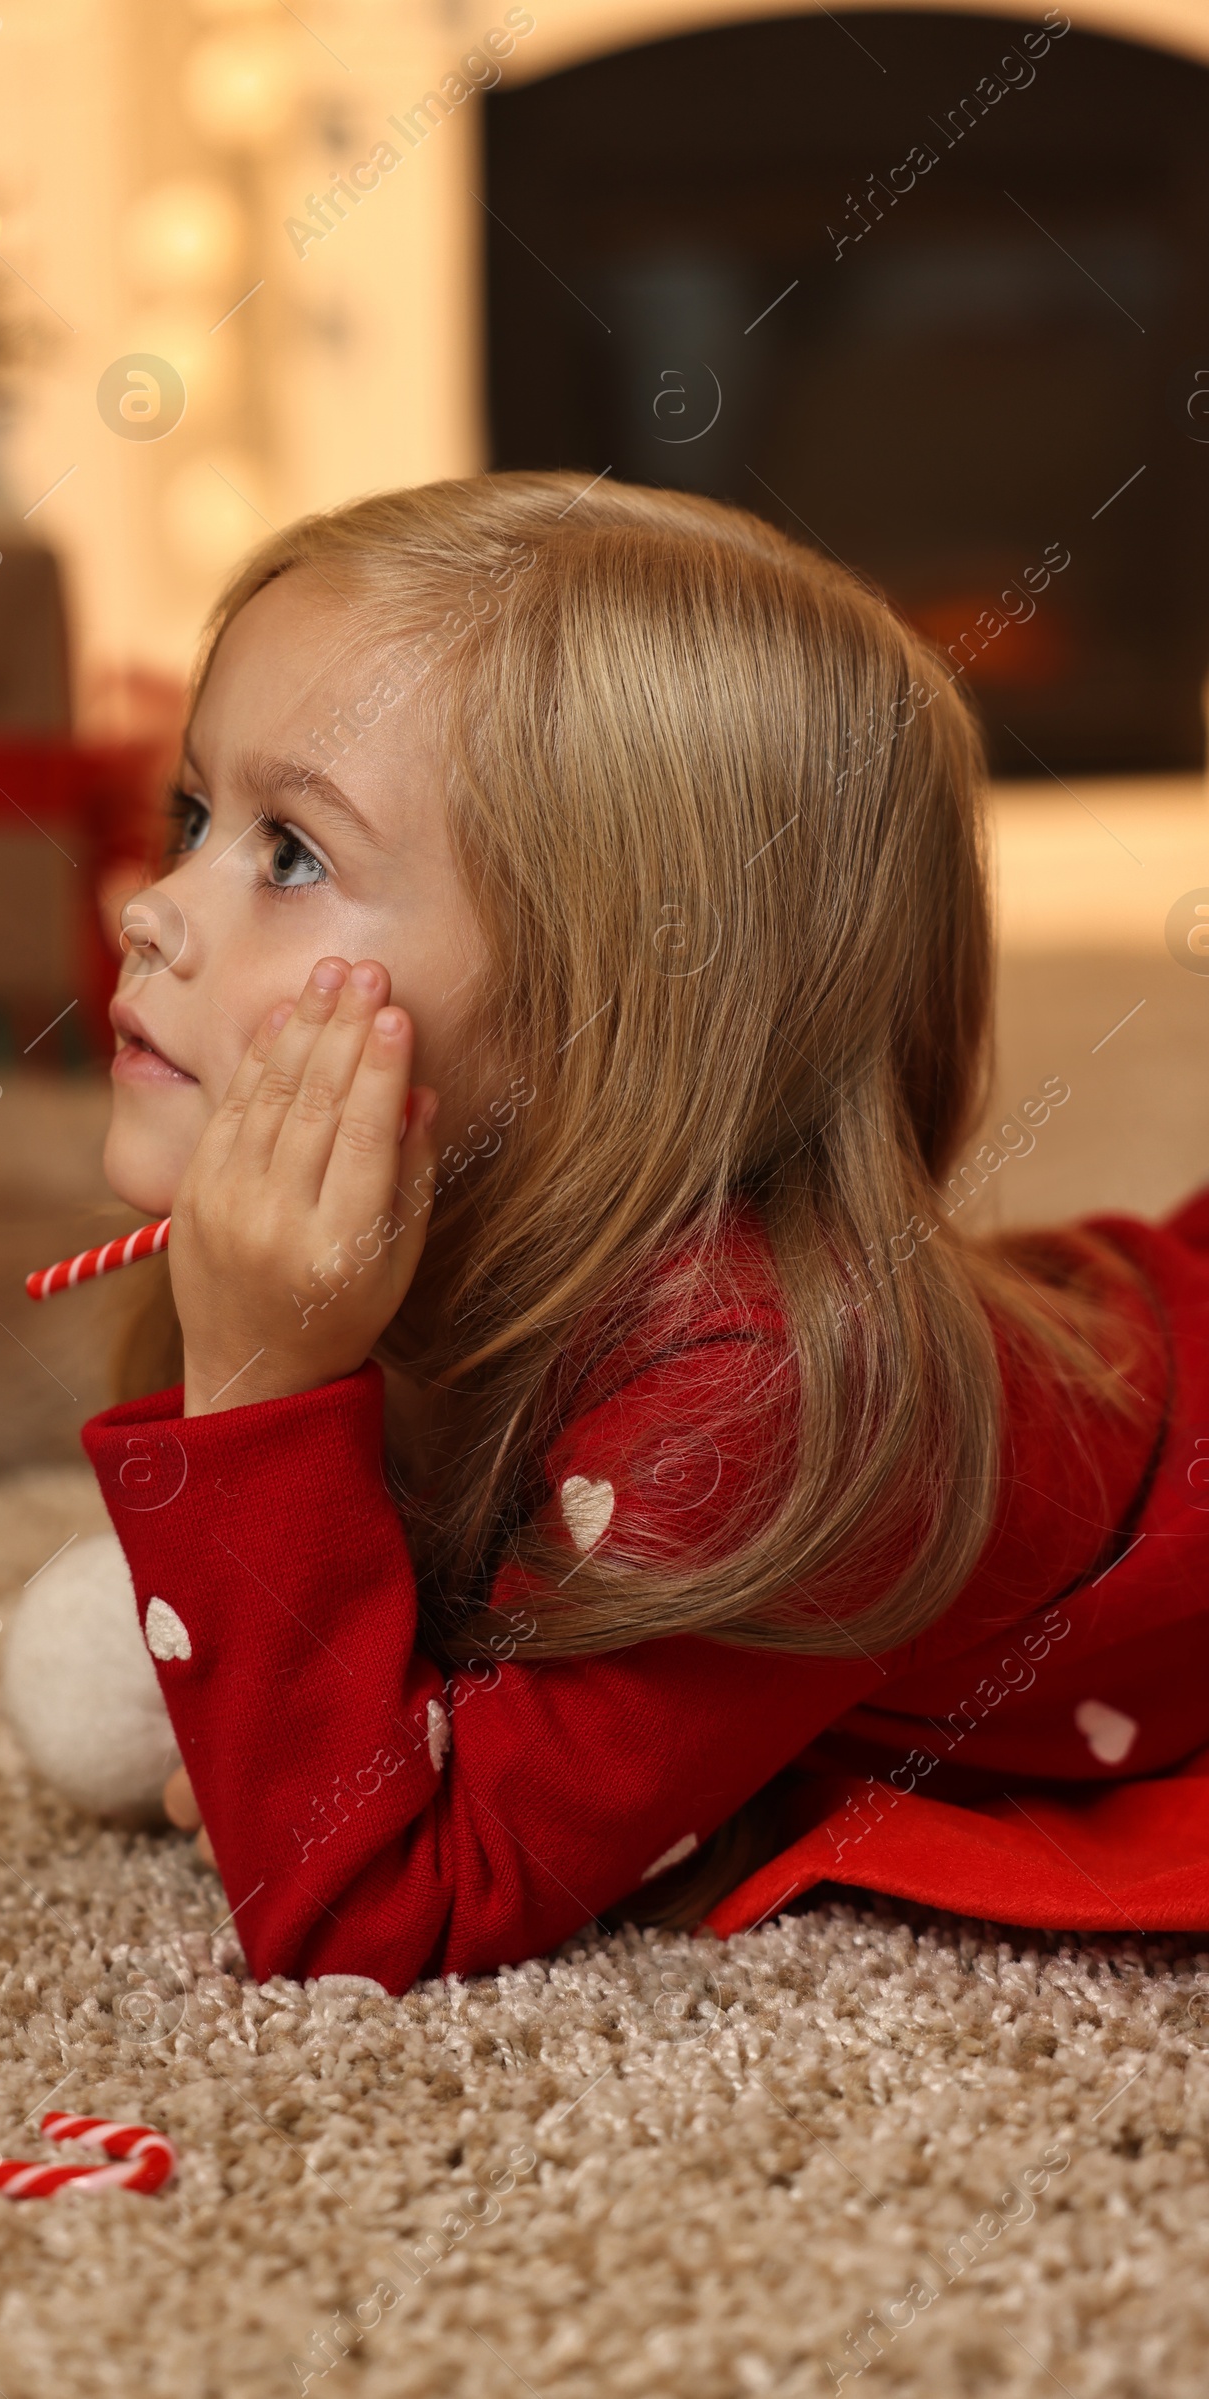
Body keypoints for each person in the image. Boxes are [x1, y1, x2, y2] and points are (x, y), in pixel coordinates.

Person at [78, 470, 1209, 1995]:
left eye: (293, 856)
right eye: (196, 814)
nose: (152, 906)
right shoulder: (447, 1250)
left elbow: (376, 1912)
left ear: (617, 1020)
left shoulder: (763, 1398)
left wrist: (262, 1381)